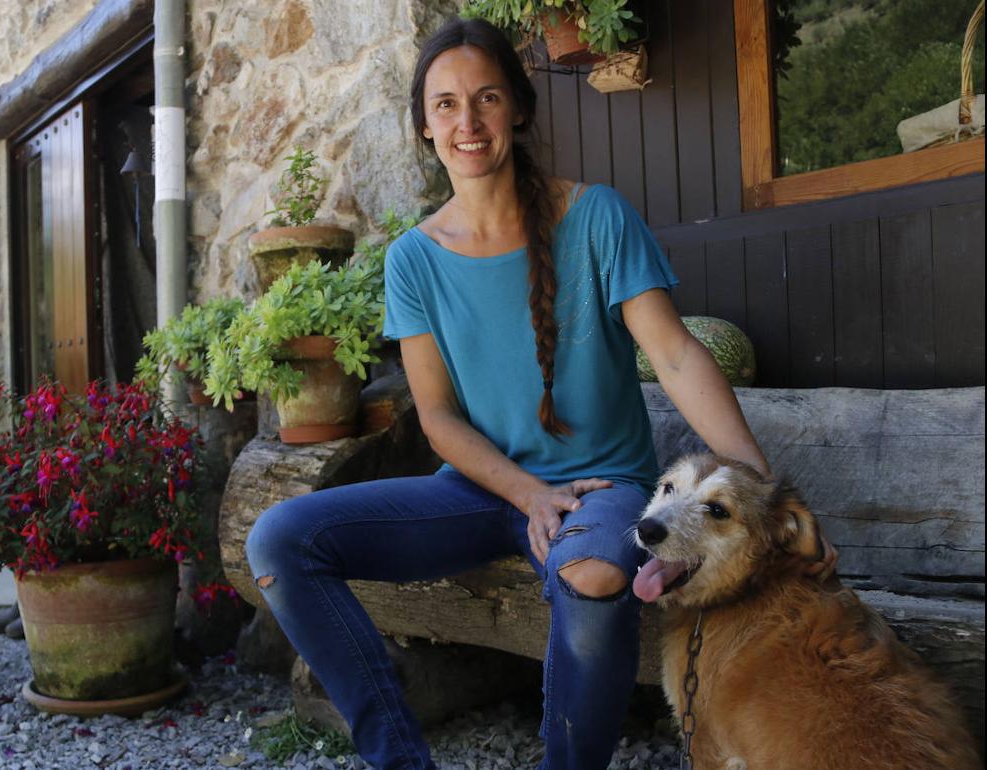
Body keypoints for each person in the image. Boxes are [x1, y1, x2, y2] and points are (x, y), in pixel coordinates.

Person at [246, 18, 832, 770]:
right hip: (481, 489)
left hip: (605, 489)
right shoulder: (413, 260)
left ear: (517, 108)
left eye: (485, 97)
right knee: (279, 541)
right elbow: (438, 417)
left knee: (592, 574)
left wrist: (764, 495)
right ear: (425, 127)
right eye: (447, 104)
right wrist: (525, 494)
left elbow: (678, 355)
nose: (468, 121)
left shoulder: (597, 217)